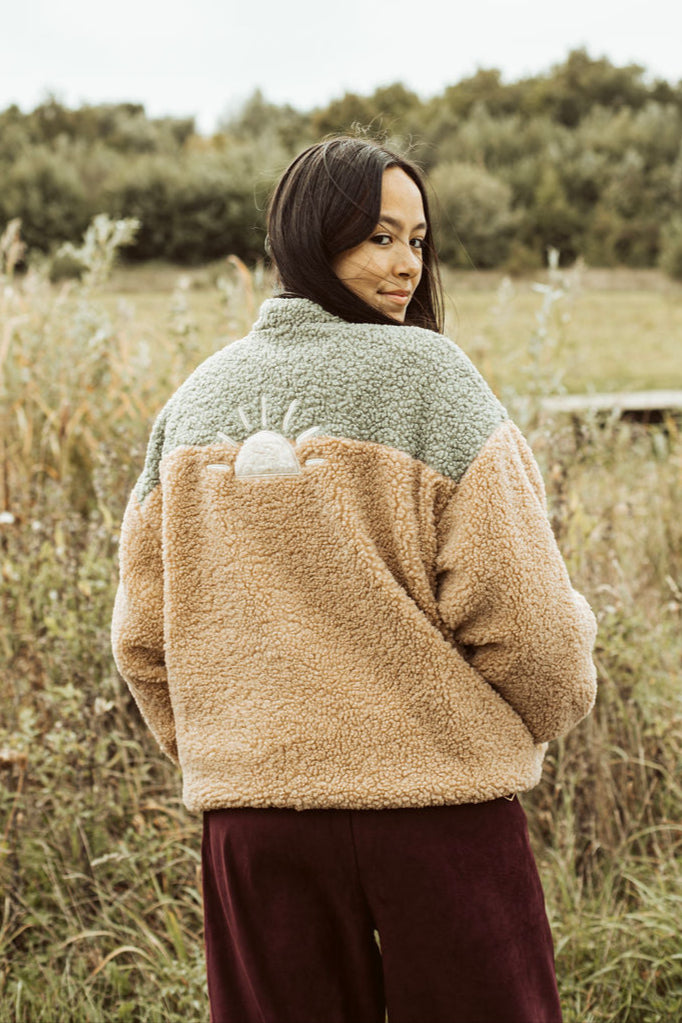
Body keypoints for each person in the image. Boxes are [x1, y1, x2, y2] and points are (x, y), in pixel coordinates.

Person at [111, 136, 598, 1023]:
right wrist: (554, 706)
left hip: (255, 826)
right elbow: (529, 625)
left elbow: (143, 637)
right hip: (437, 810)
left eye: (417, 239)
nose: (406, 263)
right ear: (311, 234)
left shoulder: (192, 403)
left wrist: (235, 748)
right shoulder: (432, 379)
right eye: (379, 236)